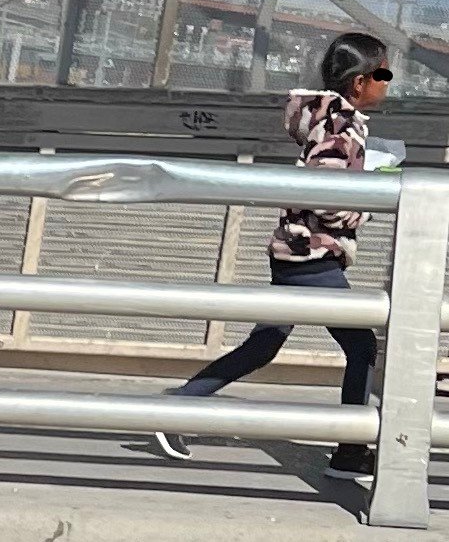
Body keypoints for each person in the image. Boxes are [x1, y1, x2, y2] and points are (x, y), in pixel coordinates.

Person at [153, 32, 392, 482]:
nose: (387, 83)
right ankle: (350, 452)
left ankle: (179, 407)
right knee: (362, 347)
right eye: (383, 74)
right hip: (313, 258)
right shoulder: (340, 127)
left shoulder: (329, 119)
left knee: (265, 343)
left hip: (297, 252)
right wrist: (366, 206)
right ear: (360, 83)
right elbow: (326, 196)